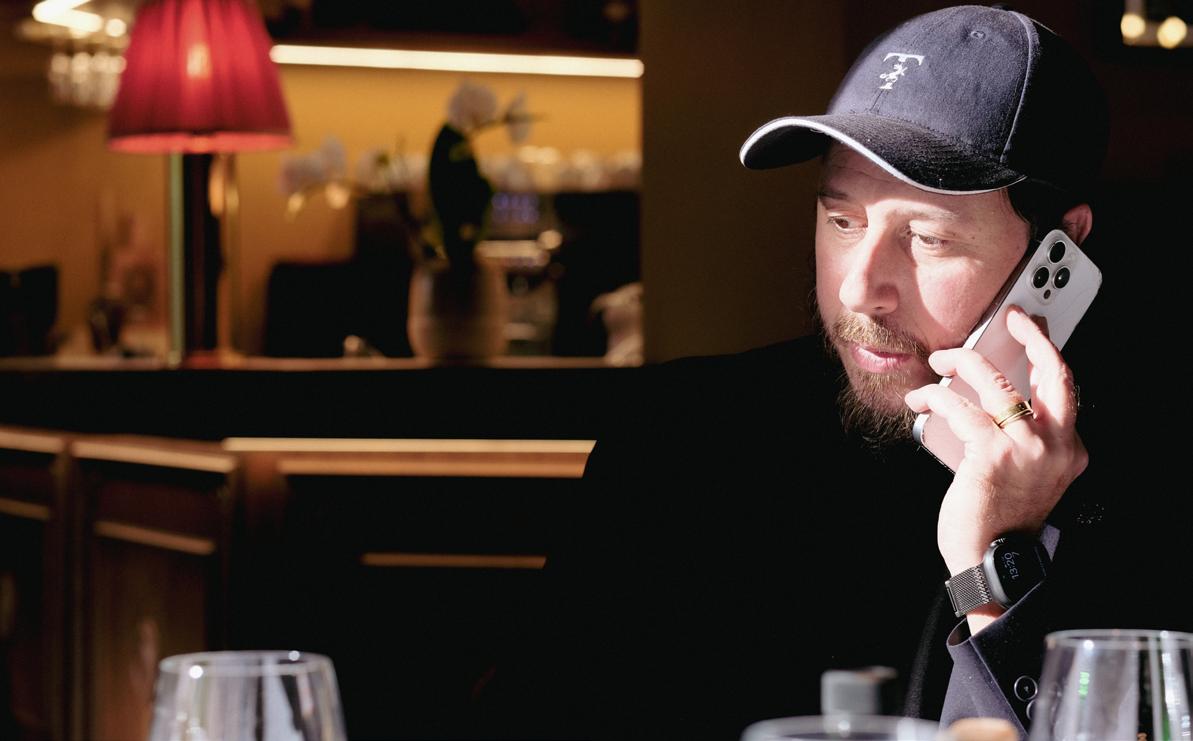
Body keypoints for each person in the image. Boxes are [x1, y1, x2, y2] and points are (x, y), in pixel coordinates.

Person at [479, 6, 1191, 739]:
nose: (858, 289)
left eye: (927, 237)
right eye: (842, 220)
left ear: (1062, 245)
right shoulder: (674, 438)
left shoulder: (1154, 480)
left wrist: (998, 569)